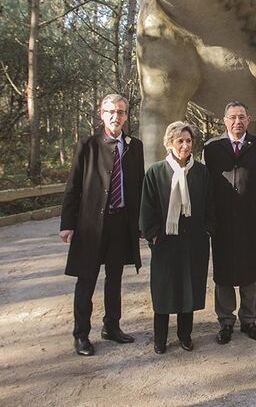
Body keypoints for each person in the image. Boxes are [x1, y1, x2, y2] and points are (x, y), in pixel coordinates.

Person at [59, 94, 143, 356]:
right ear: (101, 114)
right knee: (86, 280)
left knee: (115, 279)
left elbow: (138, 187)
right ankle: (81, 335)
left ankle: (112, 326)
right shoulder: (87, 145)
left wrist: (140, 224)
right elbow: (73, 187)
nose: (115, 116)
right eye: (110, 111)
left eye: (120, 111)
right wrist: (67, 224)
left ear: (127, 115)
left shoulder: (134, 146)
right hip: (90, 225)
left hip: (120, 222)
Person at [203, 101, 256, 344]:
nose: (237, 122)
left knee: (250, 272)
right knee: (223, 274)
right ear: (224, 120)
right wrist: (209, 221)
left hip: (251, 222)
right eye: (232, 117)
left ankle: (248, 320)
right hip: (221, 223)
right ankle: (225, 322)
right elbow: (207, 188)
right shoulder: (212, 148)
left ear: (249, 119)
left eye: (242, 117)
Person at [139, 121, 213, 354]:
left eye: (188, 141)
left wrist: (207, 230)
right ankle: (160, 338)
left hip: (193, 241)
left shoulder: (201, 171)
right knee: (163, 289)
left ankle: (185, 335)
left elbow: (210, 204)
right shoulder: (156, 171)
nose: (185, 145)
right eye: (180, 141)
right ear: (170, 143)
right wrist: (153, 235)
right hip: (165, 241)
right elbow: (147, 207)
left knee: (188, 287)